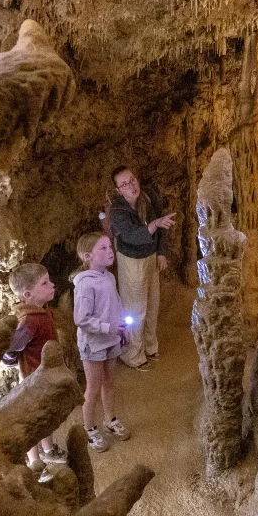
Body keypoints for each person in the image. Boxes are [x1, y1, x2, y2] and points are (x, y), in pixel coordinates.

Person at [3, 262, 67, 482]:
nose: (52, 285)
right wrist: (12, 360)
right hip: (34, 378)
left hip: (46, 374)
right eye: (45, 283)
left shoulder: (41, 311)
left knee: (47, 416)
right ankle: (35, 462)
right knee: (34, 420)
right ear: (28, 294)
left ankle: (48, 450)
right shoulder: (29, 319)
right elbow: (11, 347)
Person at [109, 165, 176, 371]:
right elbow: (133, 236)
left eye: (132, 180)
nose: (131, 186)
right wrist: (155, 224)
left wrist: (161, 252)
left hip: (150, 256)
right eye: (125, 184)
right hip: (131, 260)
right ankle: (132, 354)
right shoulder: (118, 211)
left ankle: (149, 345)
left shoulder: (148, 197)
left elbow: (161, 228)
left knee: (152, 304)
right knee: (135, 309)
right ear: (119, 190)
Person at [73, 232, 130, 452]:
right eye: (103, 249)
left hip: (111, 339)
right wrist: (109, 327)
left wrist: (121, 326)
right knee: (93, 388)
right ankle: (89, 428)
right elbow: (81, 319)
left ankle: (110, 419)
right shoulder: (86, 284)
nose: (110, 252)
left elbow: (114, 304)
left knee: (110, 383)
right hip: (94, 343)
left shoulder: (109, 277)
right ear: (88, 256)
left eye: (109, 247)